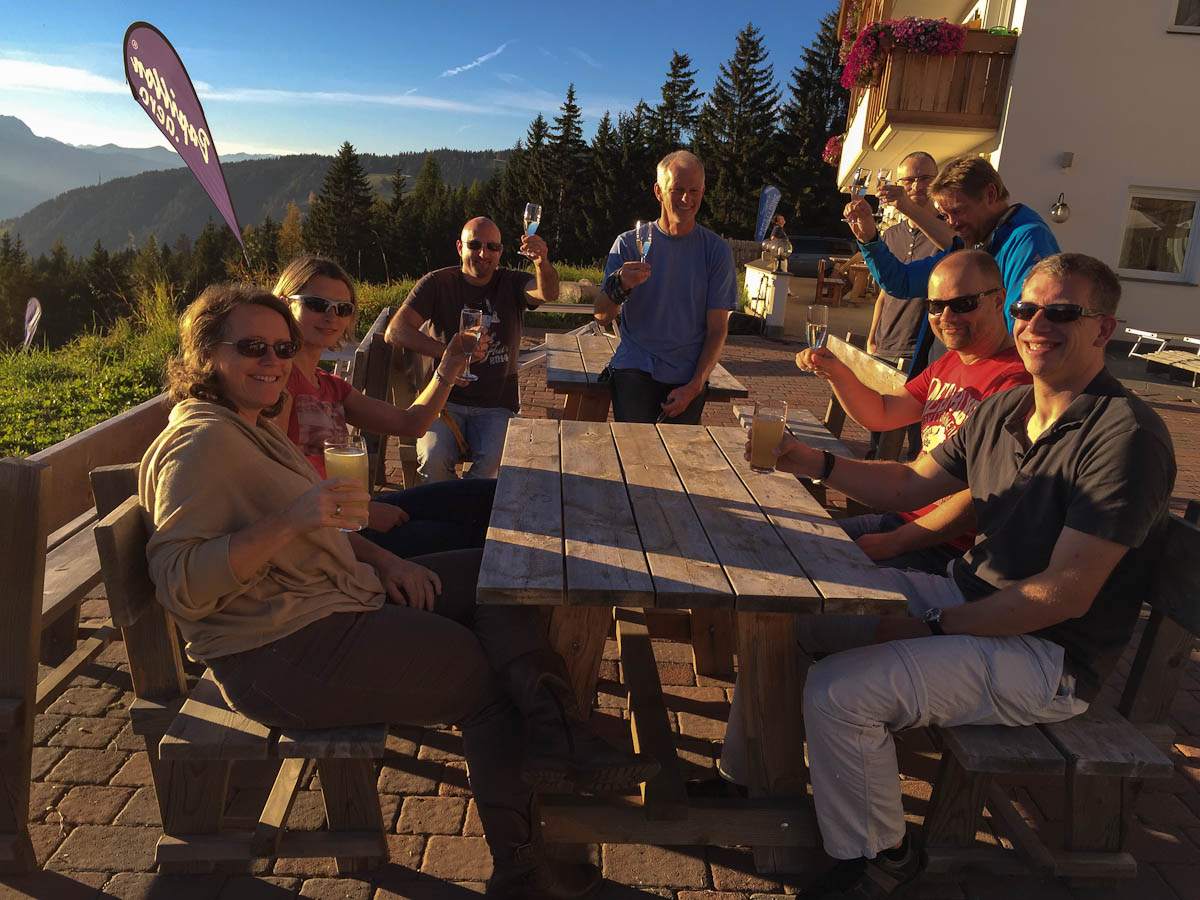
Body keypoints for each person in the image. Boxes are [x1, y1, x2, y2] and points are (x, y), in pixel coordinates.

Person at [140, 285, 657, 898]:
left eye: (281, 346)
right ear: (205, 354)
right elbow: (180, 584)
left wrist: (384, 561)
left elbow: (319, 521)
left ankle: (558, 733)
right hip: (278, 653)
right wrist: (291, 522)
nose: (273, 360)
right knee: (486, 683)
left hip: (331, 599)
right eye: (252, 347)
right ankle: (524, 869)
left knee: (503, 577)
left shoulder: (247, 425)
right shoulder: (200, 443)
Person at [760, 253, 1176, 898]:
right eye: (1026, 310)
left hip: (1048, 655)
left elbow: (1064, 594)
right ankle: (754, 783)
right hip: (968, 596)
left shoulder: (1124, 436)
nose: (1037, 324)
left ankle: (881, 857)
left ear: (1104, 329)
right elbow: (909, 484)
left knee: (840, 693)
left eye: (1062, 312)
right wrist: (808, 460)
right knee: (783, 620)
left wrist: (931, 625)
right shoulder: (1006, 408)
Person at [798, 249, 1030, 573]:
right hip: (903, 519)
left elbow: (981, 496)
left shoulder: (1017, 382)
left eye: (963, 304)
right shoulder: (951, 361)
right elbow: (882, 412)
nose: (946, 317)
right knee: (788, 546)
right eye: (935, 306)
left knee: (806, 568)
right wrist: (835, 371)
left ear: (998, 300)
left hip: (947, 550)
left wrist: (895, 542)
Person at [273, 255, 496, 559]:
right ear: (284, 304)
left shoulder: (329, 385)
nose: (331, 316)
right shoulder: (276, 384)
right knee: (476, 538)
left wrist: (450, 363)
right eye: (316, 304)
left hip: (353, 512)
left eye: (343, 309)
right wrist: (361, 512)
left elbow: (412, 423)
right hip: (328, 534)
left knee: (490, 497)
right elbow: (275, 484)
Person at [385, 217, 558, 482]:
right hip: (442, 403)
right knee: (433, 459)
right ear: (459, 247)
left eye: (492, 247)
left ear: (500, 251)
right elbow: (396, 331)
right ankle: (448, 504)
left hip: (497, 406)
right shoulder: (438, 283)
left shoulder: (511, 283)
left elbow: (548, 293)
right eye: (475, 245)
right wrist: (449, 354)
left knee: (492, 467)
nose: (483, 253)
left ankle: (463, 504)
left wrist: (541, 262)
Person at [594, 150, 737, 424]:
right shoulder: (628, 244)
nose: (686, 199)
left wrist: (695, 386)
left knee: (679, 451)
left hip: (687, 375)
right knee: (635, 447)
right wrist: (619, 285)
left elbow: (718, 329)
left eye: (694, 191)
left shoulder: (716, 251)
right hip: (635, 366)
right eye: (678, 190)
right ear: (658, 192)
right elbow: (601, 316)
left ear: (703, 191)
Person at [845, 155, 1060, 333]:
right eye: (945, 215)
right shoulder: (975, 243)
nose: (951, 224)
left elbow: (1026, 330)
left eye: (957, 211)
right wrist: (869, 240)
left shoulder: (1027, 240)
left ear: (990, 195)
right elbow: (902, 282)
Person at [865, 151, 949, 373]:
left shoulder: (948, 233)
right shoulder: (890, 234)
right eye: (909, 180)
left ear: (937, 182)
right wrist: (872, 338)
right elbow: (884, 294)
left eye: (925, 178)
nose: (916, 186)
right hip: (885, 345)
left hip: (924, 351)